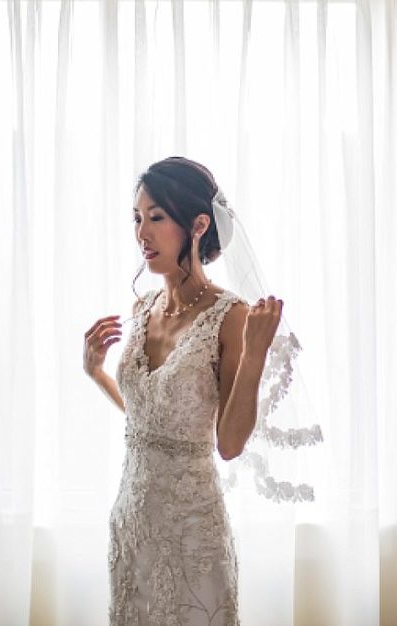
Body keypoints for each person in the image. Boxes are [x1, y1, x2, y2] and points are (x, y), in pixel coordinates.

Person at [82, 156, 283, 624]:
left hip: (192, 533)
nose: (141, 233)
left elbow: (229, 445)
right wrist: (95, 372)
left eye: (156, 218)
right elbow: (146, 416)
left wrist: (254, 355)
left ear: (197, 225)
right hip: (131, 523)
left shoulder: (231, 316)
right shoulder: (142, 306)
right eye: (136, 218)